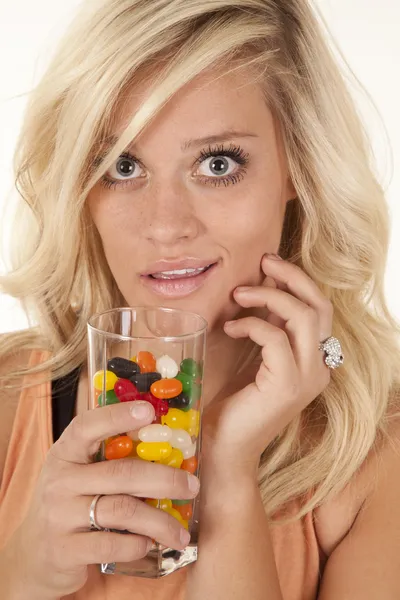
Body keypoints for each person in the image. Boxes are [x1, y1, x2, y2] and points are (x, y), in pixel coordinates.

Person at [1, 0, 400, 598]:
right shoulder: (10, 398)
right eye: (122, 165)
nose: (165, 225)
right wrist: (22, 575)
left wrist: (230, 472)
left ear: (299, 168)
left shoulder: (377, 458)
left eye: (217, 164)